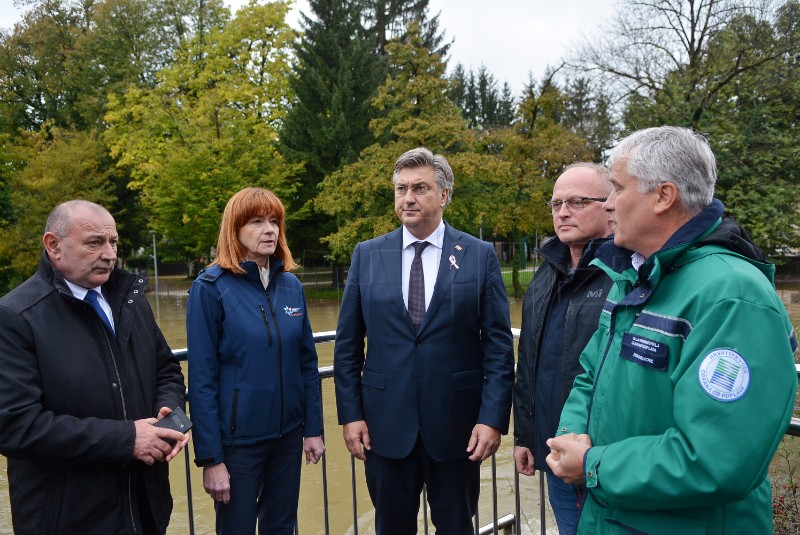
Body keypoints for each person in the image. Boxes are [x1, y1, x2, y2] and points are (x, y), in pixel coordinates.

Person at [546, 126, 798, 534]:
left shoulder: (732, 296)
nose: (607, 205)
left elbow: (717, 458)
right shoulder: (635, 277)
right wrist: (568, 439)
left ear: (664, 196)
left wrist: (593, 465)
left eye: (616, 189)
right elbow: (589, 376)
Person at [334, 147, 515, 534]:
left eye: (419, 187)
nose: (408, 198)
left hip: (458, 429)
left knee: (455, 526)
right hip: (384, 428)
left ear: (444, 194)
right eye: (400, 189)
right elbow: (347, 346)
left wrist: (492, 419)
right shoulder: (367, 255)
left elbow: (499, 348)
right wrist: (350, 415)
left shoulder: (479, 256)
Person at [0, 200, 188, 535]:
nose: (110, 254)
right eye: (94, 243)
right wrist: (127, 439)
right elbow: (16, 426)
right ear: (53, 245)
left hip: (145, 508)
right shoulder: (15, 317)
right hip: (69, 518)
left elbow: (167, 369)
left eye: (113, 242)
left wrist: (172, 420)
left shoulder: (131, 300)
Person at [187, 187, 325, 534]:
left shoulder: (291, 286)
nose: (270, 230)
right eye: (257, 222)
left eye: (275, 221)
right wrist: (212, 459)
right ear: (234, 230)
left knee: (282, 527)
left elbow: (307, 364)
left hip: (287, 438)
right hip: (238, 446)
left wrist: (313, 430)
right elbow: (202, 380)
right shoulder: (210, 288)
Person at [513, 163, 613, 534]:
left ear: (610, 206)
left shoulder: (628, 273)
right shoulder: (546, 274)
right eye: (556, 204)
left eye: (577, 201)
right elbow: (529, 363)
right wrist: (526, 436)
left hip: (605, 457)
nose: (563, 212)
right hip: (556, 453)